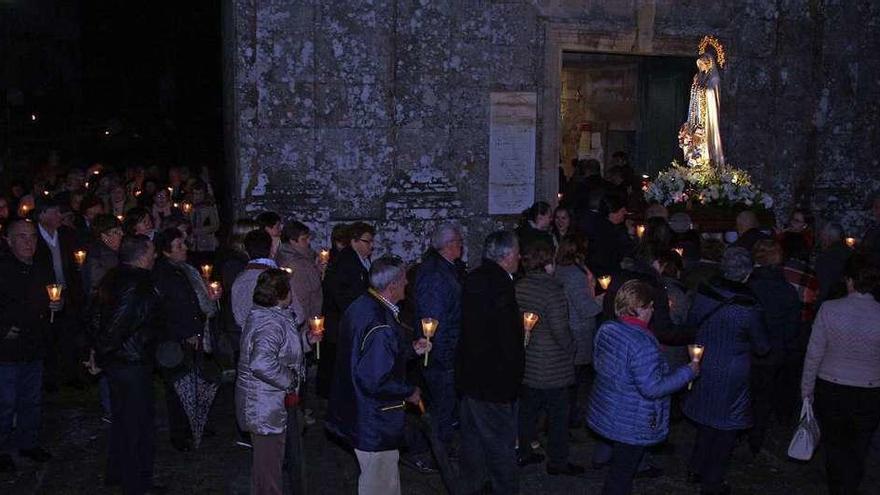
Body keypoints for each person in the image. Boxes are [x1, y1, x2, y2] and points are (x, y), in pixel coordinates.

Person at [326, 256, 430, 495]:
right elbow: (374, 380)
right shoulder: (381, 325)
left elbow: (366, 356)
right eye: (404, 280)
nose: (407, 285)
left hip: (356, 410)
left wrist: (410, 350)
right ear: (392, 285)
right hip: (373, 420)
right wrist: (409, 392)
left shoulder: (361, 305)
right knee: (380, 485)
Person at [588, 279, 697, 494]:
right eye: (649, 305)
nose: (653, 309)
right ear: (637, 308)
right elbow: (652, 389)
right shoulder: (642, 343)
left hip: (611, 408)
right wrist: (688, 372)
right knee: (621, 475)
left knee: (619, 468)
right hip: (632, 420)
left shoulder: (608, 328)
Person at [683, 247, 769, 495]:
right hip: (733, 372)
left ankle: (696, 467)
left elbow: (691, 323)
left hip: (703, 362)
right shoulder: (749, 306)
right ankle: (713, 481)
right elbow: (762, 346)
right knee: (726, 426)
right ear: (747, 273)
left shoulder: (704, 292)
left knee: (707, 415)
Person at [801, 255, 880, 495]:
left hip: (831, 386)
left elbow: (814, 352)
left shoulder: (830, 309)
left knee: (834, 443)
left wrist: (806, 389)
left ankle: (836, 487)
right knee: (860, 445)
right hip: (869, 390)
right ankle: (851, 485)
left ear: (850, 281)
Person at [236, 269, 319, 495]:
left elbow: (282, 351)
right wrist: (290, 379)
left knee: (267, 468)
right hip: (265, 408)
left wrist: (307, 341)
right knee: (268, 473)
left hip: (270, 405)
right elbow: (261, 363)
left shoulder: (271, 315)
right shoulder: (270, 323)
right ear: (283, 293)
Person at [92, 235, 164, 494]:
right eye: (153, 251)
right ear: (143, 254)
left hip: (121, 361)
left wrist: (100, 353)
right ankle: (136, 483)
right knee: (137, 425)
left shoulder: (113, 277)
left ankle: (118, 473)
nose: (155, 255)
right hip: (131, 362)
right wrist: (101, 353)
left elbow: (97, 315)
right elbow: (116, 324)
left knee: (123, 420)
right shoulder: (137, 283)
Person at [456, 230, 524, 494]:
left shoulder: (474, 278)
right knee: (500, 444)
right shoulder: (502, 287)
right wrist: (513, 380)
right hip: (493, 382)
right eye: (517, 252)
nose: (519, 257)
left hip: (470, 376)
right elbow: (507, 341)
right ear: (506, 256)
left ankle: (472, 485)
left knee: (472, 439)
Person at [515, 241, 583, 475]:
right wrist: (572, 347)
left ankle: (523, 451)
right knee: (558, 416)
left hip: (528, 360)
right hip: (553, 365)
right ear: (547, 263)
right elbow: (560, 330)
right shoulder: (553, 291)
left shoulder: (520, 286)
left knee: (527, 412)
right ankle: (558, 462)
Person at [152, 227, 220, 452]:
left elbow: (192, 301)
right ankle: (180, 434)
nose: (185, 249)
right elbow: (169, 310)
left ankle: (195, 423)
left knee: (195, 381)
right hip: (177, 341)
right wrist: (186, 333)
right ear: (166, 252)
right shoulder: (163, 275)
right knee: (179, 387)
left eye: (184, 244)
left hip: (193, 335)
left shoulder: (183, 270)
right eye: (179, 246)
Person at [0, 220, 56, 472]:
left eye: (32, 237)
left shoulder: (41, 267)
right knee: (5, 402)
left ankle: (28, 442)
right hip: (7, 350)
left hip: (35, 345)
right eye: (21, 237)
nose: (28, 242)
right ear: (9, 241)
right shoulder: (3, 268)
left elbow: (51, 297)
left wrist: (57, 305)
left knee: (31, 399)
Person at [411, 222, 464, 450]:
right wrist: (441, 355)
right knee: (442, 404)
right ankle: (435, 451)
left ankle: (435, 446)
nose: (461, 246)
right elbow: (432, 319)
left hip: (445, 350)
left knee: (443, 404)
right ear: (449, 245)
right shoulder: (436, 276)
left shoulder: (445, 269)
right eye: (459, 241)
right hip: (441, 354)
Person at [747, 240, 801, 452]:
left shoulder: (750, 286)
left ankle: (739, 432)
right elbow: (792, 326)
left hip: (750, 351)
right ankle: (756, 436)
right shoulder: (787, 290)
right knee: (763, 396)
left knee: (747, 393)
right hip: (773, 353)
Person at [318, 221, 374, 398]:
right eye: (368, 241)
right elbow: (342, 295)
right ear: (355, 241)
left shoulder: (359, 260)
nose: (371, 246)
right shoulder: (347, 262)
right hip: (343, 322)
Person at [554, 236, 602, 428]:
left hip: (569, 328)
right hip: (577, 330)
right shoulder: (574, 275)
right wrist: (604, 298)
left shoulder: (562, 270)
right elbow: (585, 308)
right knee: (573, 380)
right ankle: (568, 419)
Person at [679, 36, 725, 168]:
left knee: (702, 138)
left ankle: (706, 160)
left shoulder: (714, 80)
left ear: (709, 63)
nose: (701, 68)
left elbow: (712, 94)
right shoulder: (699, 78)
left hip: (706, 115)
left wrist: (703, 90)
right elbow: (694, 94)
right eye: (700, 65)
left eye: (703, 64)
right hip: (696, 113)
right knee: (690, 137)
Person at [277, 221, 323, 323]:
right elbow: (302, 298)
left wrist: (317, 270)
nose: (308, 242)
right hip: (306, 320)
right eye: (304, 239)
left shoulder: (304, 259)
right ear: (292, 241)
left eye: (308, 238)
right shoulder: (296, 263)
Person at [814, 223, 851, 306]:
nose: (820, 239)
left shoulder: (825, 258)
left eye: (822, 236)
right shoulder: (852, 254)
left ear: (828, 237)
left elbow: (824, 287)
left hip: (830, 305)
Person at [188, 179, 219, 255]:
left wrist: (200, 231)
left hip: (206, 243)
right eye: (195, 193)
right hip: (192, 243)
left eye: (200, 194)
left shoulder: (208, 208)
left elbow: (215, 225)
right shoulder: (189, 207)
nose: (198, 196)